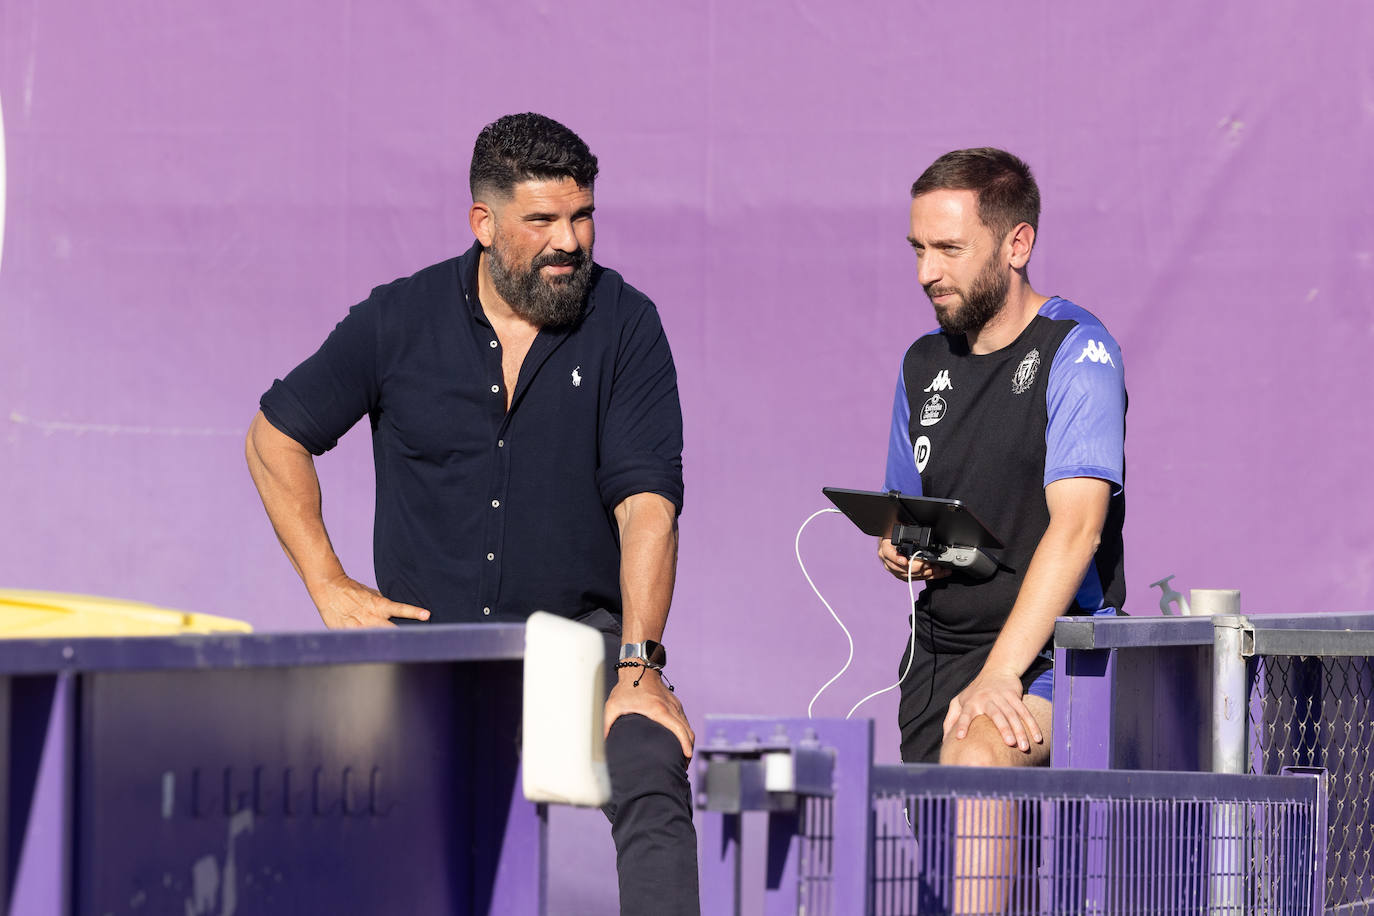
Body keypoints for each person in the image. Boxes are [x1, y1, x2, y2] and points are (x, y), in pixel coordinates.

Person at [245, 113, 699, 914]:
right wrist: (329, 585)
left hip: (577, 653)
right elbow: (274, 438)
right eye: (543, 221)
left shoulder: (626, 323)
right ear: (483, 224)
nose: (570, 240)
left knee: (651, 758)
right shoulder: (399, 318)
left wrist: (639, 666)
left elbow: (647, 507)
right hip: (426, 656)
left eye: (583, 215)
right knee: (321, 800)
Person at [879, 148, 1126, 768]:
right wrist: (902, 544)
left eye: (949, 249)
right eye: (917, 248)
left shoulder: (1078, 349)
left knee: (978, 757)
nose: (925, 273)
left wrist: (999, 675)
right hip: (937, 656)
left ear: (1017, 246)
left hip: (1052, 653)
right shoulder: (920, 363)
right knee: (946, 859)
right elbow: (908, 511)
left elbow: (1078, 530)